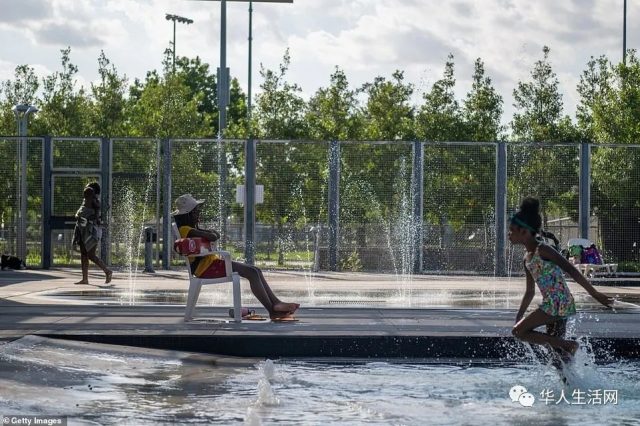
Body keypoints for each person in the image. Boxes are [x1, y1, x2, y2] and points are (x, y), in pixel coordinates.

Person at [510, 197, 613, 359]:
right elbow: (529, 291)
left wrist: (595, 294)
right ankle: (572, 382)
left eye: (512, 230)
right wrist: (519, 315)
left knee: (518, 331)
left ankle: (569, 345)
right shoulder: (527, 258)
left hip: (558, 303)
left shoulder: (543, 249)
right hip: (552, 304)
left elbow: (572, 270)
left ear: (524, 231)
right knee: (557, 356)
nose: (509, 234)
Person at [172, 194, 300, 320]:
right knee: (252, 273)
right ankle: (272, 310)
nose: (198, 213)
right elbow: (212, 236)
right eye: (195, 211)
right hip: (206, 268)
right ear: (187, 214)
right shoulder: (185, 229)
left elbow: (213, 235)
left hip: (211, 264)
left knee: (256, 271)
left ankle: (276, 304)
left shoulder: (191, 228)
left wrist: (210, 233)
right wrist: (210, 233)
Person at [72, 182, 113, 285]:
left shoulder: (95, 202)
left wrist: (86, 218)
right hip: (82, 229)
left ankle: (107, 271)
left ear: (93, 192)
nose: (86, 190)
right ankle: (85, 278)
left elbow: (96, 216)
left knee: (90, 254)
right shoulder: (86, 200)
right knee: (84, 254)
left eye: (89, 189)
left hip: (90, 230)